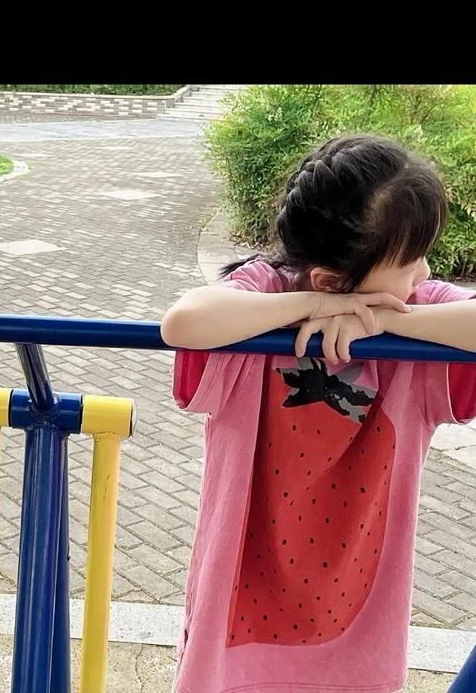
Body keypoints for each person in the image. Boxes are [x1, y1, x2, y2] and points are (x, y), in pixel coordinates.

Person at [160, 130, 476, 693]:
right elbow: (184, 321)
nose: (425, 275)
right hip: (236, 621)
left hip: (357, 635)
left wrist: (383, 319)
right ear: (329, 279)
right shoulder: (263, 295)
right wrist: (313, 305)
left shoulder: (418, 317)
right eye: (410, 263)